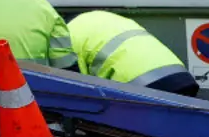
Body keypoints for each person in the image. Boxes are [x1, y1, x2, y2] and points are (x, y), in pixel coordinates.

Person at [68, 11, 200, 96]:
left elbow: (79, 85)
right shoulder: (102, 17)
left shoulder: (68, 35)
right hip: (181, 77)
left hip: (144, 88)